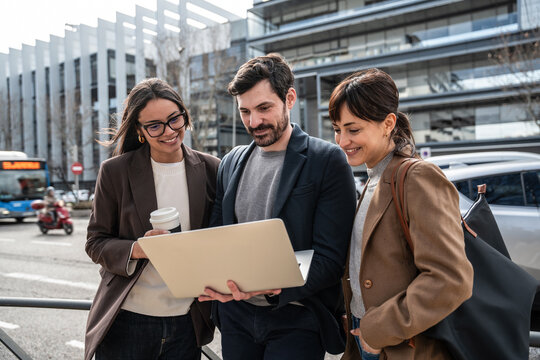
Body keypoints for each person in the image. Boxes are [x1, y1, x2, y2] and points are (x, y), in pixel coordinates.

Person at [199, 53, 357, 359]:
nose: (254, 121)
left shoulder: (327, 160)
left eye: (264, 108)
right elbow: (215, 237)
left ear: (290, 98)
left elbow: (331, 257)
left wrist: (271, 285)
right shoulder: (230, 162)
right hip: (235, 316)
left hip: (298, 316)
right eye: (244, 111)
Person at [329, 68, 473, 360]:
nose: (342, 141)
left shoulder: (418, 177)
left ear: (388, 124)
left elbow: (450, 278)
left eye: (353, 129)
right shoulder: (373, 177)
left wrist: (378, 329)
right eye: (336, 129)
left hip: (402, 345)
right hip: (365, 338)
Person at [84, 78, 220, 360]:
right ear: (139, 130)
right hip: (127, 320)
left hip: (188, 321)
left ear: (185, 115)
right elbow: (95, 242)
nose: (169, 131)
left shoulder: (211, 169)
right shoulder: (115, 172)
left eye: (175, 119)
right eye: (155, 125)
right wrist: (137, 249)